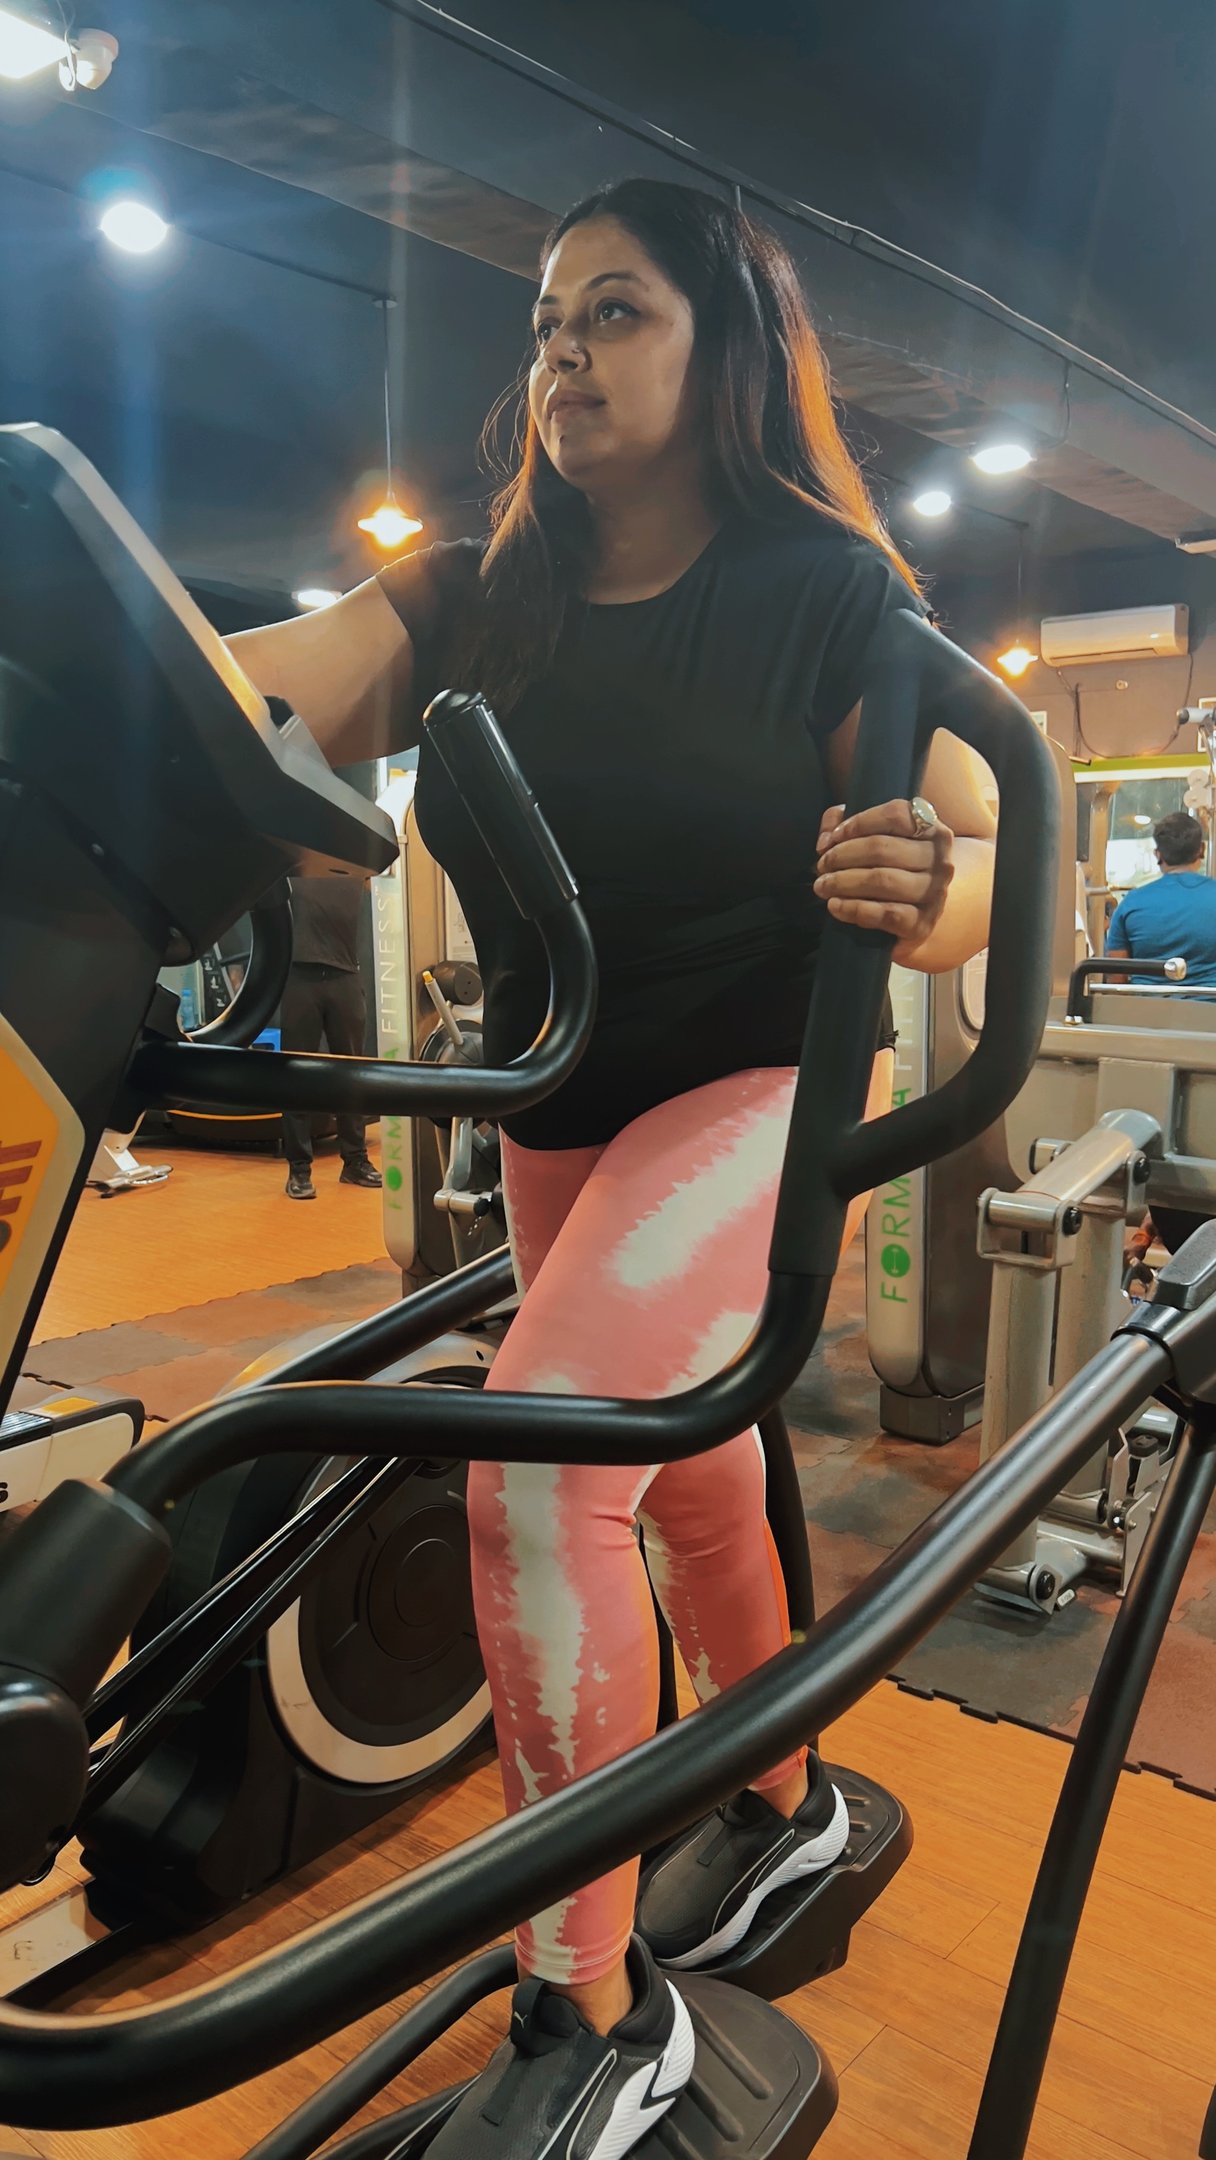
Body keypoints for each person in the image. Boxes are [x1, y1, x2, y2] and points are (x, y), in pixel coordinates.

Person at [230, 178, 996, 2160]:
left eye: (616, 314)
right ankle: (786, 1796)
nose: (561, 354)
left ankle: (589, 2010)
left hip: (751, 1092)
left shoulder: (820, 589)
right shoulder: (490, 593)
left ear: (723, 349)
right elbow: (266, 675)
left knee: (537, 1463)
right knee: (689, 1477)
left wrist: (932, 882)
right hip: (555, 1100)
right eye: (548, 321)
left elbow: (980, 831)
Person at [280, 874, 382, 1198]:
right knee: (296, 1076)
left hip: (345, 977)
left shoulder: (356, 866)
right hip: (300, 977)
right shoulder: (296, 864)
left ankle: (355, 1162)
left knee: (351, 1075)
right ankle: (298, 1170)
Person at [1106, 809, 1216, 987]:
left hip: (1149, 1011)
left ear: (1158, 854)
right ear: (1201, 850)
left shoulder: (1131, 903)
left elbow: (1116, 979)